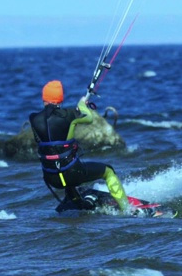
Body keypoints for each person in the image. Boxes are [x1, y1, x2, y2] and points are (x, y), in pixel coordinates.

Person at [28, 80, 130, 213]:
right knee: (109, 172)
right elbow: (89, 118)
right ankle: (127, 209)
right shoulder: (69, 115)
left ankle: (80, 204)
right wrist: (82, 104)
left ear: (44, 98)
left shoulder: (33, 118)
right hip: (72, 172)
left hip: (52, 178)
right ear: (60, 99)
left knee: (64, 176)